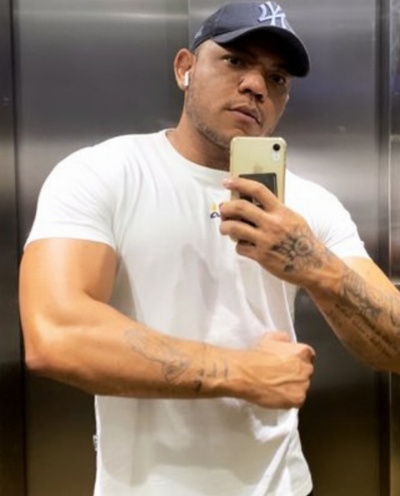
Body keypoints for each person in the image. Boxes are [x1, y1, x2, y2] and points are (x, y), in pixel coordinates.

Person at [19, 2, 400, 496]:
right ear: (185, 68)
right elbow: (56, 333)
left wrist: (316, 266)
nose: (256, 86)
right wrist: (243, 373)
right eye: (235, 61)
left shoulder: (309, 203)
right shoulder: (104, 173)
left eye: (277, 78)